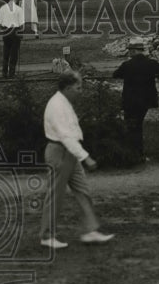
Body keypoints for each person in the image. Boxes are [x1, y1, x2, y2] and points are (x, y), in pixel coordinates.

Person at [39, 71, 114, 248]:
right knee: (55, 195)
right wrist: (86, 157)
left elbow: (72, 133)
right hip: (60, 152)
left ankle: (90, 230)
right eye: (78, 87)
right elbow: (65, 136)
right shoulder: (57, 105)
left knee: (83, 190)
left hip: (70, 153)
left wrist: (79, 155)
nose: (81, 91)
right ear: (67, 88)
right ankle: (46, 235)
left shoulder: (65, 102)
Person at [113, 40, 159, 163]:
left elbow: (115, 75)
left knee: (130, 127)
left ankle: (131, 155)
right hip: (145, 100)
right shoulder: (151, 63)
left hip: (130, 100)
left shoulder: (127, 64)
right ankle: (138, 154)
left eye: (130, 51)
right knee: (138, 126)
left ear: (134, 51)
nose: (129, 53)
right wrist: (157, 75)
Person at [0, 0, 24, 78]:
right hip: (15, 31)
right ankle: (11, 73)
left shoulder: (3, 8)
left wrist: (4, 30)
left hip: (6, 31)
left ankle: (4, 73)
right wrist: (21, 33)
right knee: (14, 53)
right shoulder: (19, 9)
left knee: (6, 52)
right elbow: (21, 24)